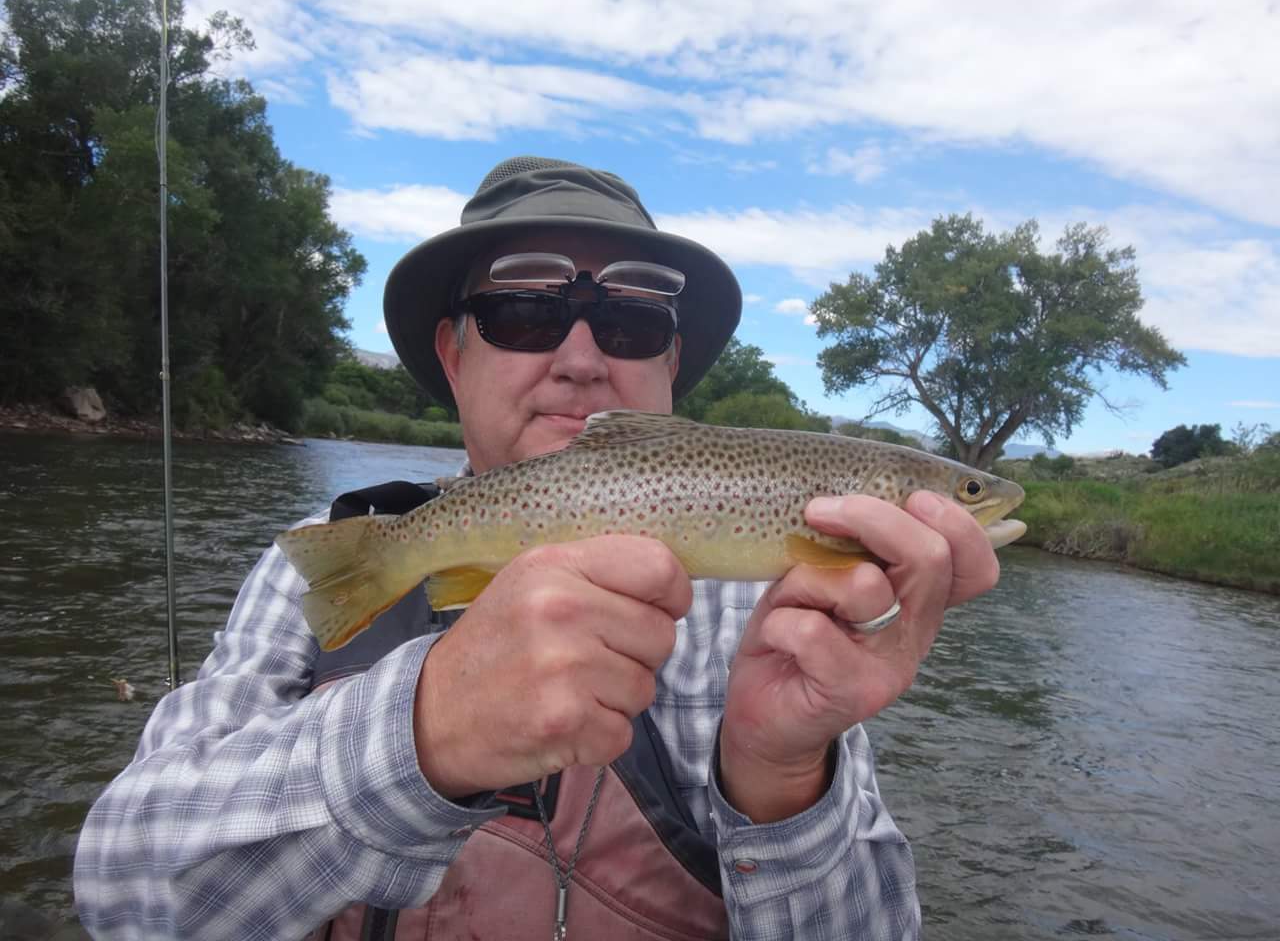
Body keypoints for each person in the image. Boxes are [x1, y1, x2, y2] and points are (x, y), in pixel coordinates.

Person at [74, 156, 1001, 940]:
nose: (583, 358)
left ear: (670, 367)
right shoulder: (333, 559)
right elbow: (121, 893)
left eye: (633, 324)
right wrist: (422, 734)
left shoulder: (776, 619)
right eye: (524, 312)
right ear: (452, 353)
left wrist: (783, 780)